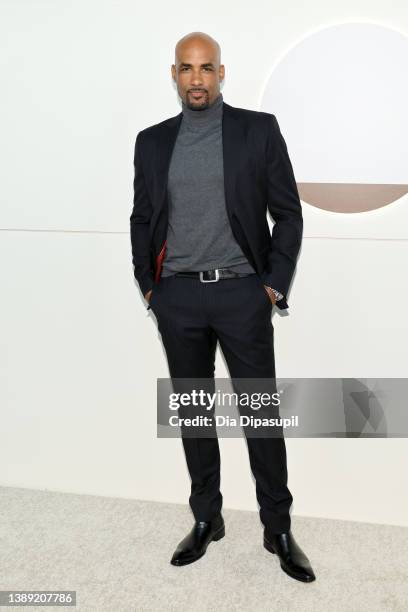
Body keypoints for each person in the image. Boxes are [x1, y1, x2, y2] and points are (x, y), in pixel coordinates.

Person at [130, 31, 315, 583]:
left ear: (221, 73)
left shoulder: (257, 131)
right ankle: (206, 519)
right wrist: (150, 285)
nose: (196, 79)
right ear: (174, 74)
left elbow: (288, 213)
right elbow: (142, 216)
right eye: (186, 69)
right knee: (193, 413)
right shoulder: (152, 141)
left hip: (241, 294)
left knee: (259, 414)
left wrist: (272, 285)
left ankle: (277, 527)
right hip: (178, 295)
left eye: (206, 68)